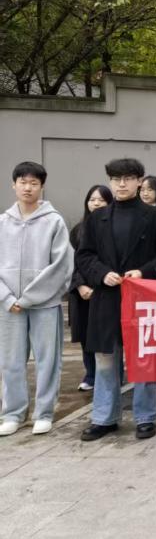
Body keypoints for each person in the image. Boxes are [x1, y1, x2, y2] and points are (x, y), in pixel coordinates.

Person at [76, 158, 156, 441]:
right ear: (110, 181)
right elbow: (84, 255)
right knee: (106, 359)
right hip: (107, 298)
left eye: (128, 178)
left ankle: (145, 417)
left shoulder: (155, 217)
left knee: (144, 358)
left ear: (139, 181)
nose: (122, 184)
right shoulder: (97, 218)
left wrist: (143, 271)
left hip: (142, 297)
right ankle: (104, 418)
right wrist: (101, 273)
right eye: (116, 179)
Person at [0, 162, 73, 437]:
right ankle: (13, 413)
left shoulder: (54, 221)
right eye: (23, 182)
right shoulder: (2, 222)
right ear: (14, 185)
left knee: (47, 360)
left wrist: (29, 298)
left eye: (33, 183)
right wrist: (7, 298)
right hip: (8, 306)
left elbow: (61, 266)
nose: (27, 187)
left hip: (44, 304)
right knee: (10, 361)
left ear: (42, 186)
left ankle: (44, 412)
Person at [68, 185, 113, 392]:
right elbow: (72, 262)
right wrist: (80, 285)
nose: (96, 203)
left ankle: (112, 375)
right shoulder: (78, 230)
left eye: (101, 200)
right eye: (92, 199)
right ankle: (91, 374)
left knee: (106, 335)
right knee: (85, 334)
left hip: (105, 289)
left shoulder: (113, 229)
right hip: (82, 292)